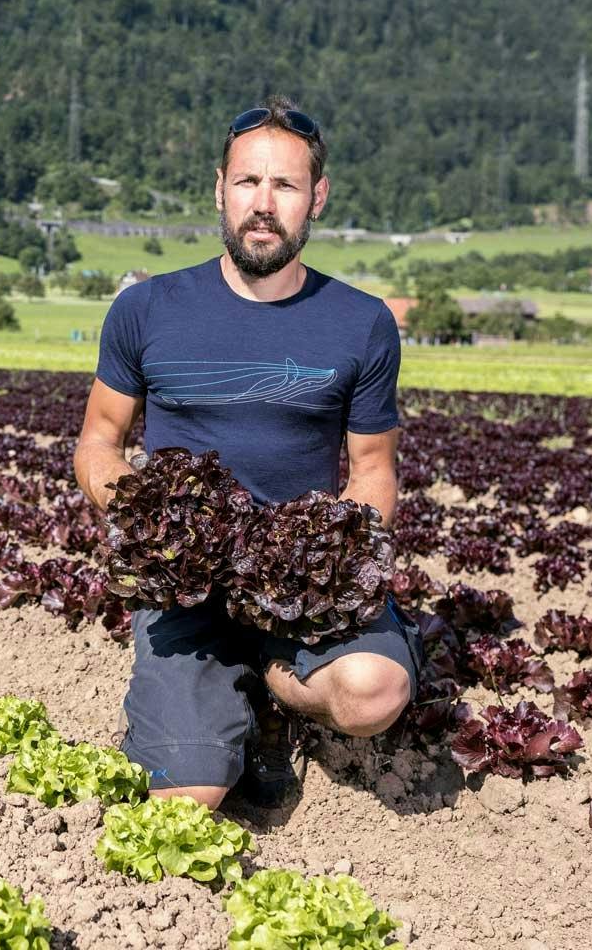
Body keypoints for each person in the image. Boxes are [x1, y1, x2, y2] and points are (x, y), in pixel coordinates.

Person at [73, 96, 421, 811]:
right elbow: (98, 444)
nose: (264, 204)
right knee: (190, 799)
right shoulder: (146, 311)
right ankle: (209, 698)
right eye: (248, 183)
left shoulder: (362, 323)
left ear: (316, 197)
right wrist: (148, 519)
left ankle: (273, 691)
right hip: (187, 588)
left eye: (286, 186)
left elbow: (375, 471)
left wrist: (333, 559)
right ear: (220, 189)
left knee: (371, 695)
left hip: (298, 584)